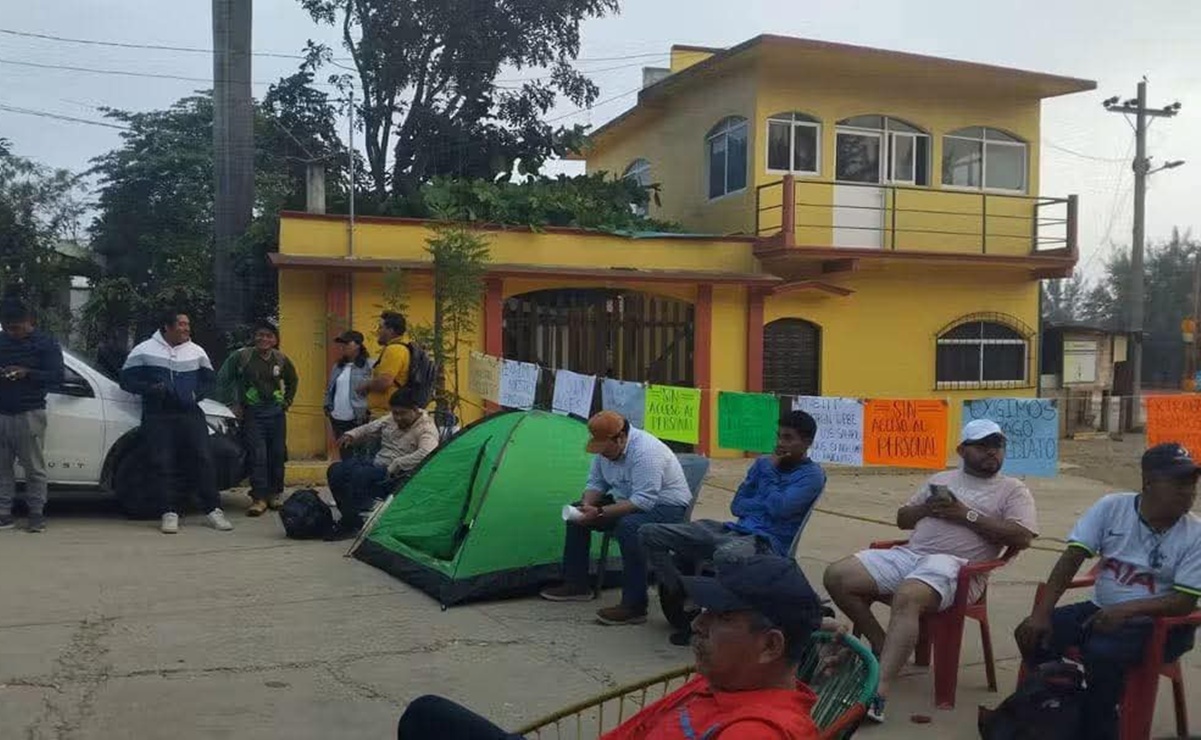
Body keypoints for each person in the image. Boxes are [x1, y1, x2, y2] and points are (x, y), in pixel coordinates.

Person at [397, 555, 827, 740]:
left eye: (720, 616)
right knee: (428, 715)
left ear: (770, 646)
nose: (697, 623)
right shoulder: (728, 684)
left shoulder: (752, 730)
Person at [823, 419, 1038, 722]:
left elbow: (1022, 538)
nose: (992, 452)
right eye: (983, 445)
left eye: (997, 445)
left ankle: (876, 693)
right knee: (837, 575)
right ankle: (880, 641)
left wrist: (966, 515)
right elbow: (902, 519)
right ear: (962, 450)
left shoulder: (1013, 490)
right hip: (912, 555)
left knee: (908, 596)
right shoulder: (942, 479)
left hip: (958, 569)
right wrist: (928, 508)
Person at [1014, 442, 1200, 740]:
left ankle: (1099, 726)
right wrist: (1041, 613)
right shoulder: (1112, 507)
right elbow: (1072, 557)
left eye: (1191, 482)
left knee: (1102, 653)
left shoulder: (1195, 534)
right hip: (1101, 610)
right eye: (1178, 482)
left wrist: (1127, 609)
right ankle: (1058, 704)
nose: (1188, 490)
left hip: (1161, 627)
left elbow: (1184, 602)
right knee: (1032, 633)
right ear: (1149, 483)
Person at [641, 410, 825, 637]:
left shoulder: (811, 475)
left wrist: (769, 472)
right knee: (649, 533)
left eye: (788, 438)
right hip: (732, 530)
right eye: (778, 436)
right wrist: (766, 494)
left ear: (807, 442)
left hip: (765, 542)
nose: (779, 443)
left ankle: (710, 620)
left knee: (726, 556)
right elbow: (738, 506)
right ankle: (681, 591)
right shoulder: (762, 464)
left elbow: (779, 509)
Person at [539, 410, 693, 626]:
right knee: (576, 515)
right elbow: (596, 483)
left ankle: (635, 605)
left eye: (605, 449)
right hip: (627, 499)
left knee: (629, 528)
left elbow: (643, 502)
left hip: (666, 506)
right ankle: (577, 584)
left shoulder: (647, 452)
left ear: (620, 438)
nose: (602, 454)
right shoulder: (604, 452)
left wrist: (601, 513)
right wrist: (588, 506)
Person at [120, 311, 234, 535]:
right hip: (158, 416)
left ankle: (213, 510)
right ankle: (169, 512)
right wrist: (151, 389)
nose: (186, 328)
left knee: (202, 459)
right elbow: (126, 380)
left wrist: (196, 395)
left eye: (187, 324)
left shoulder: (196, 351)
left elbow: (210, 381)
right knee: (162, 463)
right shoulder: (144, 350)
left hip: (190, 414)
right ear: (167, 327)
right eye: (181, 324)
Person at [325, 386, 439, 540]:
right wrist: (351, 435)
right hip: (376, 464)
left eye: (402, 414)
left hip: (397, 475)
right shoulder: (391, 419)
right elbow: (369, 428)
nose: (397, 417)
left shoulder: (427, 429)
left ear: (415, 410)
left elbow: (427, 453)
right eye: (395, 413)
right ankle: (351, 519)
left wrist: (398, 463)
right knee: (335, 470)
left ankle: (350, 523)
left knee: (358, 476)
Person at [216, 320, 299, 517]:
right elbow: (223, 378)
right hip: (253, 414)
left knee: (277, 454)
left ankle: (275, 494)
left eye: (269, 335)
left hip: (276, 414)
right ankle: (259, 498)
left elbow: (292, 380)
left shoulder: (280, 359)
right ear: (255, 337)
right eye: (260, 335)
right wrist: (232, 404)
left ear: (275, 340)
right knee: (258, 455)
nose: (264, 338)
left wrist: (287, 402)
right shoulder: (242, 356)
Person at [0, 298, 63, 533]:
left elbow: (57, 376)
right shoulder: (1, 341)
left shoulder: (45, 344)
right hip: (2, 412)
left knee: (34, 467)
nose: (11, 333)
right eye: (7, 328)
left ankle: (36, 513)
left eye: (16, 328)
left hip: (30, 412)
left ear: (29, 322)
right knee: (2, 467)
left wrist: (27, 373)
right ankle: (3, 513)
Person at [359, 312, 411, 419]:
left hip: (385, 415)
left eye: (381, 327)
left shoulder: (394, 350)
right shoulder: (398, 348)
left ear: (390, 330)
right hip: (386, 414)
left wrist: (365, 386)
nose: (377, 331)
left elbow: (384, 382)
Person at [324, 330, 372, 439]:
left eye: (346, 343)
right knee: (344, 452)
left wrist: (366, 412)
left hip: (358, 418)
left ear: (358, 345)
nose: (342, 346)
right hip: (337, 418)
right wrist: (327, 406)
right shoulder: (338, 366)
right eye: (341, 343)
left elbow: (373, 390)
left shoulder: (369, 365)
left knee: (359, 453)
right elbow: (330, 388)